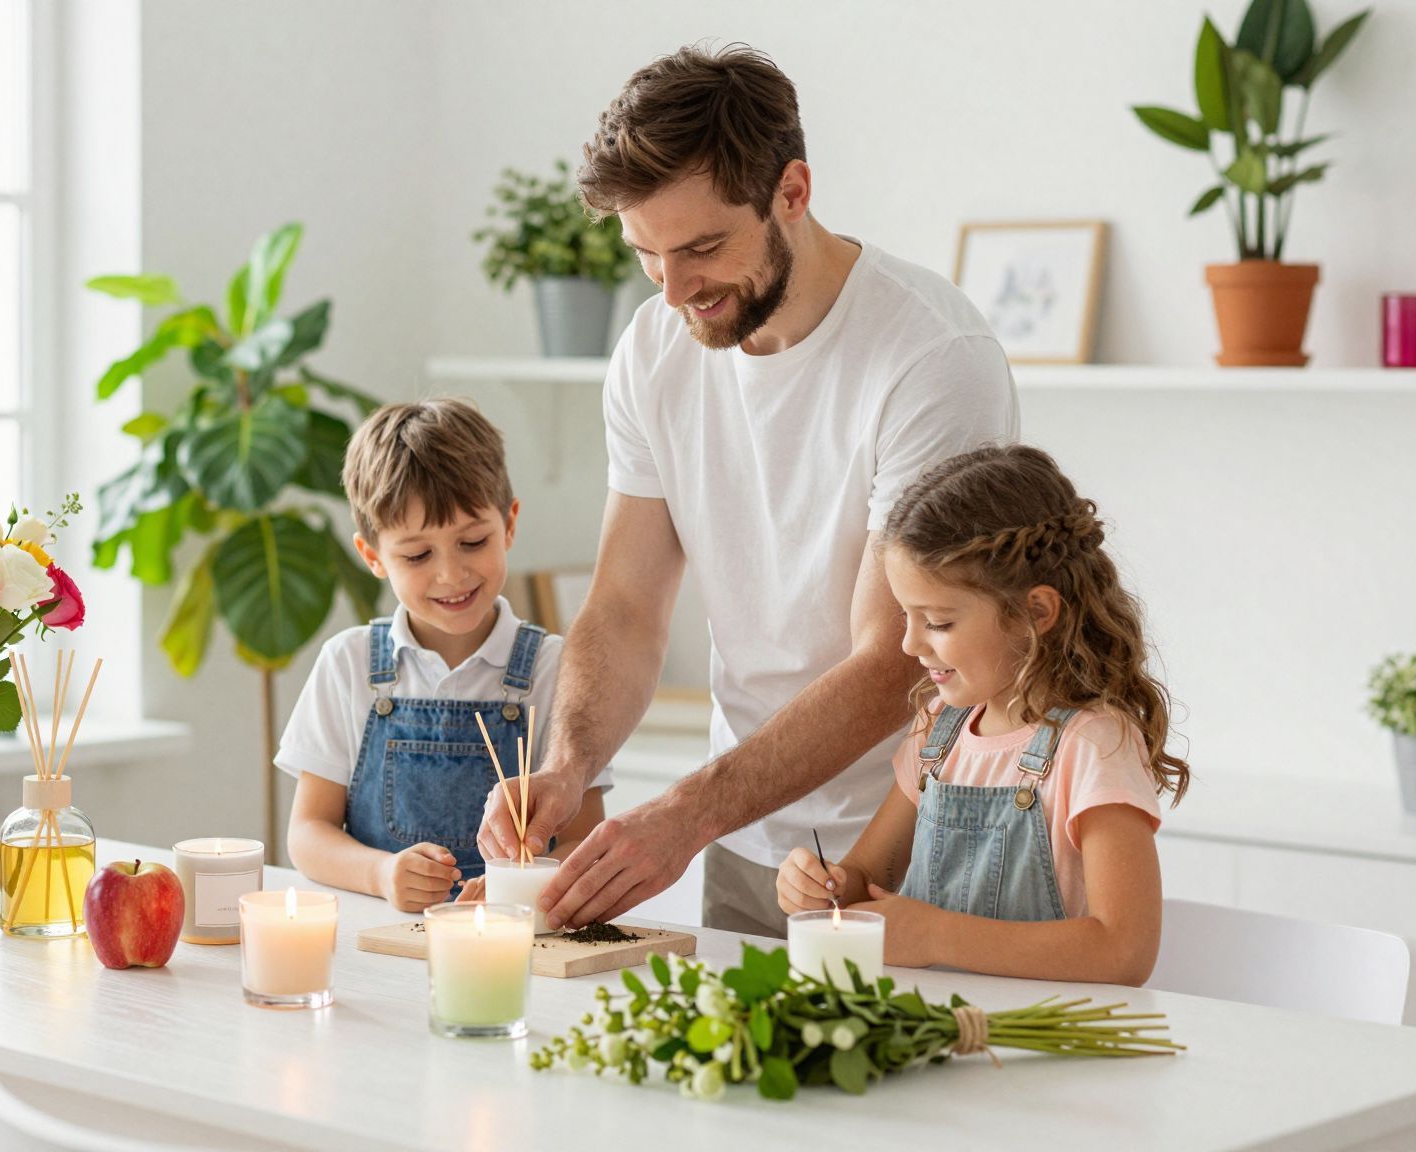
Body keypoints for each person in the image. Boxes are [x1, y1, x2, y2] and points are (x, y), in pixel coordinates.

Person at [478, 43, 1017, 936]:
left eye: (702, 248)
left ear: (792, 193)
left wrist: (687, 812)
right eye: (646, 255)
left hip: (923, 836)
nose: (677, 291)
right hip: (748, 843)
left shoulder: (929, 359)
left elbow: (895, 662)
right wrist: (569, 764)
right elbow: (624, 607)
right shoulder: (653, 352)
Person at [777, 445, 1188, 985]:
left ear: (1035, 613)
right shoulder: (937, 735)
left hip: (1046, 1047)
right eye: (906, 616)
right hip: (934, 1032)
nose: (908, 644)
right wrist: (822, 885)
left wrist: (933, 934)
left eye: (939, 622)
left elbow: (1123, 951)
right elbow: (865, 878)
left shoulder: (1092, 746)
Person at [280, 399, 608, 912]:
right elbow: (307, 833)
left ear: (509, 525)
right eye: (417, 555)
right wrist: (382, 873)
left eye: (474, 541)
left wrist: (518, 890)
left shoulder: (555, 668)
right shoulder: (348, 664)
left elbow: (583, 839)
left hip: (512, 944)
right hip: (378, 946)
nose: (452, 575)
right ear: (372, 557)